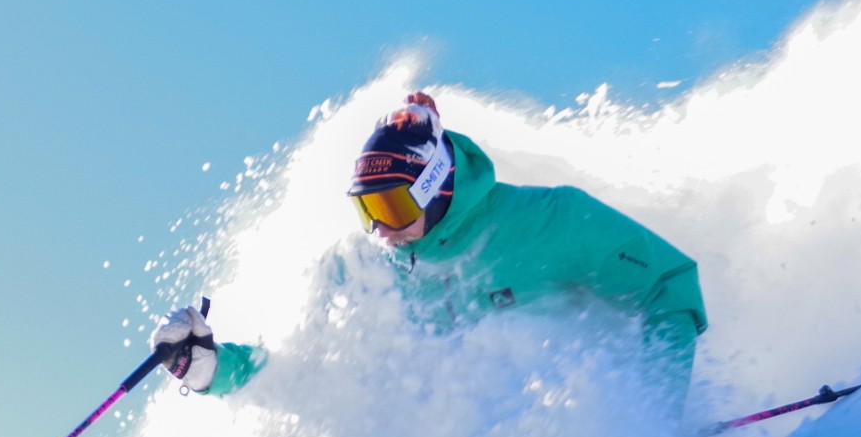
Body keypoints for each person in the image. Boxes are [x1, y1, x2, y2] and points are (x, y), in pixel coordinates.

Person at [151, 91, 707, 402]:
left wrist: (653, 419)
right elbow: (300, 373)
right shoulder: (359, 272)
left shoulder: (549, 222)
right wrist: (208, 368)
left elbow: (668, 283)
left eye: (392, 208)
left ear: (436, 181)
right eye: (366, 211)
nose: (382, 231)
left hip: (556, 434)